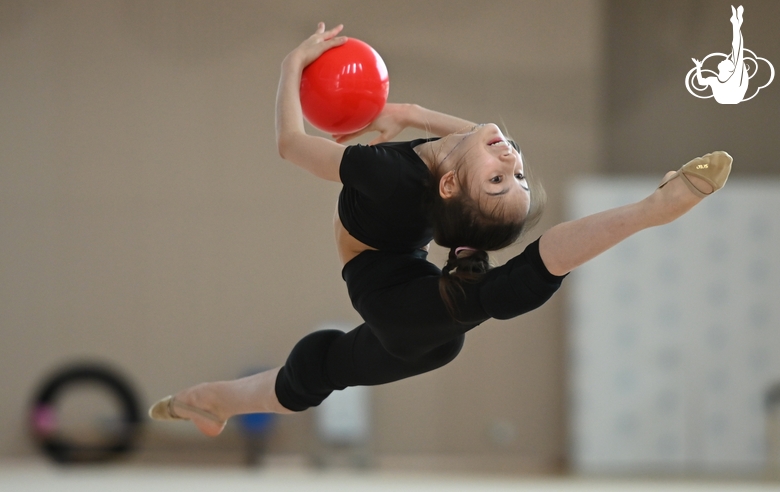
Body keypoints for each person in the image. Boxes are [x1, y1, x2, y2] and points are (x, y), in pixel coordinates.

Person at [149, 24, 733, 437]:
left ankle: (648, 212)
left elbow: (288, 145)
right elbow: (484, 134)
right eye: (518, 171)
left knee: (320, 362)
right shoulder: (460, 168)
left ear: (451, 189)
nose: (509, 154)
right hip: (428, 326)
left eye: (503, 178)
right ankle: (211, 402)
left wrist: (289, 69)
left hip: (400, 305)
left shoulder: (387, 174)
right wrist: (408, 112)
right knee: (320, 367)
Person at [693, 5, 748, 104]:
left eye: (727, 61)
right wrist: (698, 67)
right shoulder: (716, 80)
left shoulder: (731, 78)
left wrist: (698, 67)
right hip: (730, 98)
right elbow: (701, 82)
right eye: (728, 61)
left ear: (729, 69)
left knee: (737, 51)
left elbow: (738, 50)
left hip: (732, 96)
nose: (724, 59)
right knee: (737, 51)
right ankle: (736, 23)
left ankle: (736, 23)